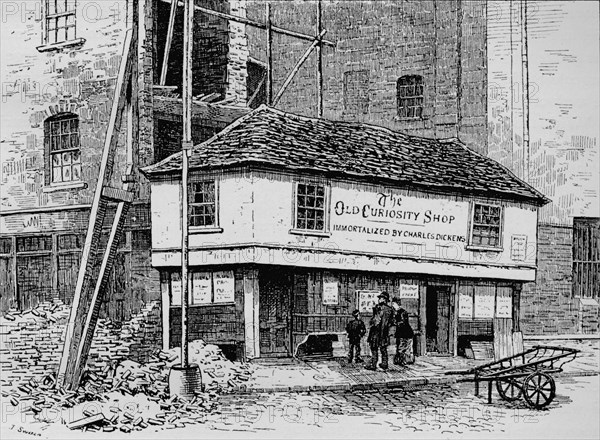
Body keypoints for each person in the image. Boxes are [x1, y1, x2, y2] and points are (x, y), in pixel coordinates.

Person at [365, 292, 394, 371]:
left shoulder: (378, 308)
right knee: (383, 349)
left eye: (381, 298)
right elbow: (391, 322)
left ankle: (373, 364)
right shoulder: (390, 309)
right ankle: (384, 364)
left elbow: (375, 320)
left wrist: (371, 322)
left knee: (374, 348)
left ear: (384, 299)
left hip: (376, 331)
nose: (379, 299)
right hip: (384, 332)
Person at [391, 297, 415, 366]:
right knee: (400, 347)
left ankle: (403, 361)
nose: (392, 305)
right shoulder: (396, 312)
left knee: (402, 348)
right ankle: (400, 361)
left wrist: (395, 322)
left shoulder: (402, 312)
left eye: (393, 304)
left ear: (397, 304)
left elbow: (403, 322)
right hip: (400, 333)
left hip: (405, 333)